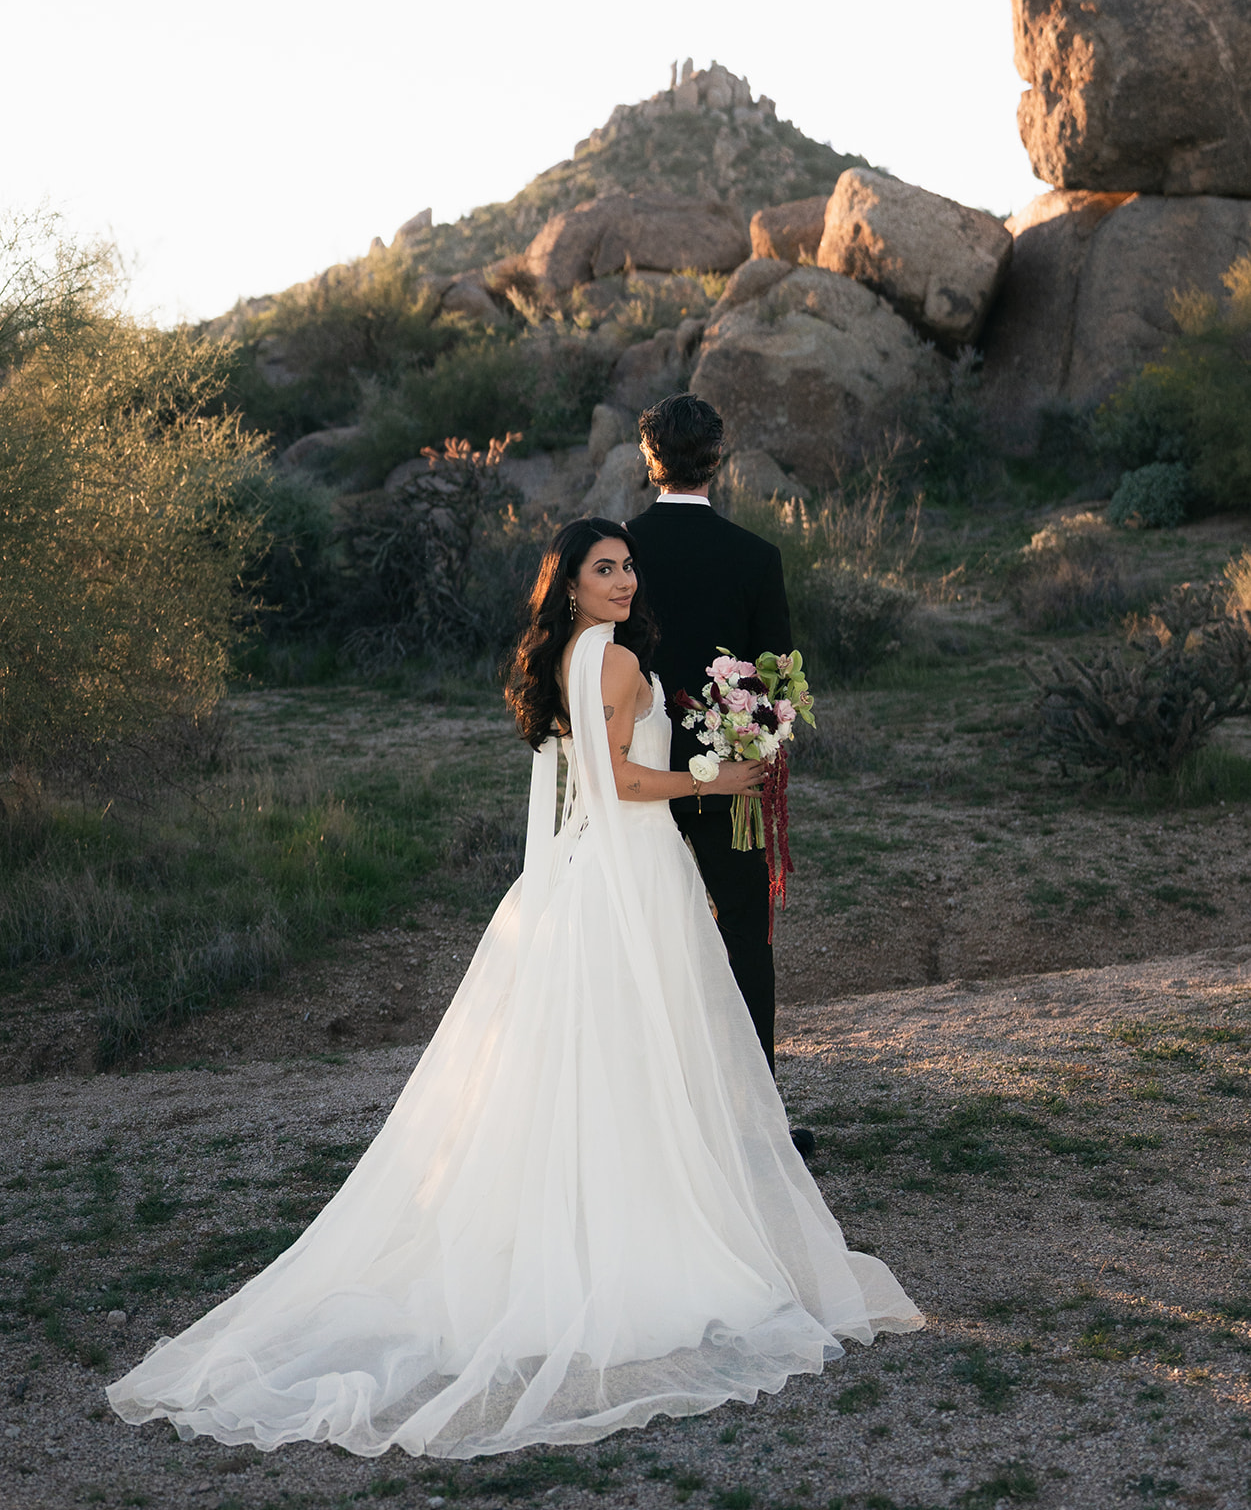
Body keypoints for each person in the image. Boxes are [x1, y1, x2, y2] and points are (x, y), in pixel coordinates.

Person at [105, 518, 921, 1460]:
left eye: (626, 567)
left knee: (599, 1061)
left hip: (584, 876)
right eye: (602, 568)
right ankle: (638, 1244)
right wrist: (716, 775)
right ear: (569, 584)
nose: (622, 580)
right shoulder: (610, 662)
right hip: (627, 874)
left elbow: (592, 777)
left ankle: (582, 1226)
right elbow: (614, 780)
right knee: (638, 1054)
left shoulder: (577, 655)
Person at [626, 396, 797, 1092]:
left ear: (649, 461)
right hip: (733, 776)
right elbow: (776, 676)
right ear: (718, 460)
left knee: (641, 942)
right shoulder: (756, 557)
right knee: (745, 941)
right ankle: (755, 1115)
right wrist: (754, 751)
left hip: (638, 779)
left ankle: (648, 1107)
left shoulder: (617, 552)